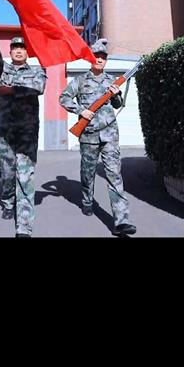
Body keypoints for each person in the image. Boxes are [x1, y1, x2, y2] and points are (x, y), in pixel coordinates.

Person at [58, 38, 136, 237]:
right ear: (89, 58)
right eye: (96, 56)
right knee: (88, 173)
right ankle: (87, 200)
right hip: (89, 135)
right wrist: (81, 111)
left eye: (103, 57)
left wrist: (116, 94)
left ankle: (122, 221)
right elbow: (63, 98)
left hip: (110, 134)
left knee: (114, 175)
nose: (99, 60)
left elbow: (117, 105)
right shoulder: (80, 81)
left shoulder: (112, 81)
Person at [0, 26, 47, 239]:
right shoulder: (2, 70)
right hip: (5, 129)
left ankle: (24, 227)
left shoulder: (37, 71)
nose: (19, 51)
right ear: (10, 52)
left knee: (25, 176)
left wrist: (11, 90)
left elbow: (38, 88)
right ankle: (8, 200)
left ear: (27, 52)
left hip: (27, 131)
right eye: (15, 48)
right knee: (7, 172)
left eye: (22, 48)